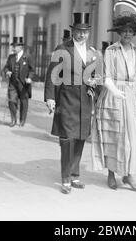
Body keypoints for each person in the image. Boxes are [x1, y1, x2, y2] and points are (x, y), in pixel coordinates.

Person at [44, 12, 100, 194]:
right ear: (73, 31)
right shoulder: (62, 49)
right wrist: (50, 97)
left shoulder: (93, 53)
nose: (82, 35)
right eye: (78, 31)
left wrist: (94, 83)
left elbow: (97, 77)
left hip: (85, 102)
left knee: (81, 138)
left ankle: (75, 175)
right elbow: (52, 75)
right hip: (67, 100)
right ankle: (65, 178)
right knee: (67, 139)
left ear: (89, 32)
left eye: (85, 32)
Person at [92, 13, 136, 192]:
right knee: (114, 135)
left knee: (132, 136)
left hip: (131, 97)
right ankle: (111, 173)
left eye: (131, 31)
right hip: (113, 95)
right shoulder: (111, 51)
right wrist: (115, 91)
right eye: (124, 31)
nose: (128, 34)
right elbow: (105, 76)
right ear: (119, 32)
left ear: (134, 33)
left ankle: (128, 175)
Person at [3, 37, 34, 127]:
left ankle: (22, 120)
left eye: (15, 46)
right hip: (13, 83)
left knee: (24, 103)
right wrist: (7, 71)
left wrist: (29, 78)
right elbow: (6, 67)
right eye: (13, 46)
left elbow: (32, 70)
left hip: (24, 84)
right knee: (11, 101)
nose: (13, 48)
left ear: (21, 47)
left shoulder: (27, 57)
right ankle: (13, 119)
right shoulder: (11, 57)